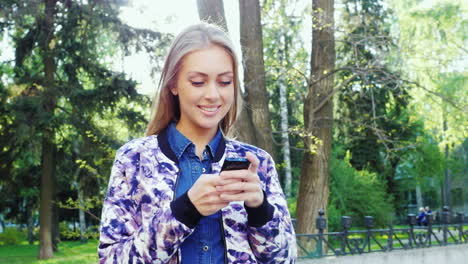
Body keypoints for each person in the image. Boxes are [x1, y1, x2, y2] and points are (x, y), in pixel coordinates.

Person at [98, 23, 297, 264]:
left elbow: (285, 259)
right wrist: (184, 211)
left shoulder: (257, 164)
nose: (213, 94)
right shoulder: (134, 159)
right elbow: (111, 259)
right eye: (198, 82)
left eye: (224, 82)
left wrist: (259, 209)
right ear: (173, 84)